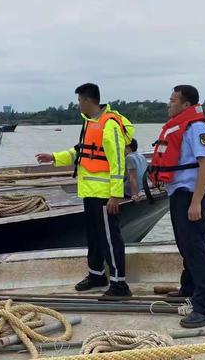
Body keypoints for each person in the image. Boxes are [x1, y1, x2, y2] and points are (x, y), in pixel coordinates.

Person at [36, 83, 134, 297]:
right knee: (94, 236)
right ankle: (96, 274)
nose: (78, 104)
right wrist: (53, 157)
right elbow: (80, 152)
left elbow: (117, 162)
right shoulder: (90, 124)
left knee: (110, 238)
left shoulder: (109, 125)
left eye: (79, 100)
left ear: (89, 100)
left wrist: (115, 195)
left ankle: (119, 284)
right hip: (89, 192)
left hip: (105, 195)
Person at [148, 85, 205, 328]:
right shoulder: (180, 126)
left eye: (172, 100)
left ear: (186, 105)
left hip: (192, 195)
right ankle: (188, 287)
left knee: (196, 250)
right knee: (185, 246)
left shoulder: (197, 128)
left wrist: (196, 201)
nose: (168, 104)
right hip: (179, 193)